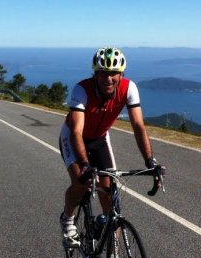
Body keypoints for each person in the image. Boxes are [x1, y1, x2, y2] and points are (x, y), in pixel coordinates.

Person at [59, 47, 159, 247]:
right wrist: (86, 165)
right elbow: (77, 131)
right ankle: (68, 218)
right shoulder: (82, 90)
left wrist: (150, 161)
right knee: (82, 183)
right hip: (73, 137)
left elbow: (138, 126)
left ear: (121, 74)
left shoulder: (129, 89)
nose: (108, 78)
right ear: (95, 74)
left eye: (114, 73)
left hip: (100, 139)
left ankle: (113, 256)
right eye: (103, 73)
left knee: (110, 195)